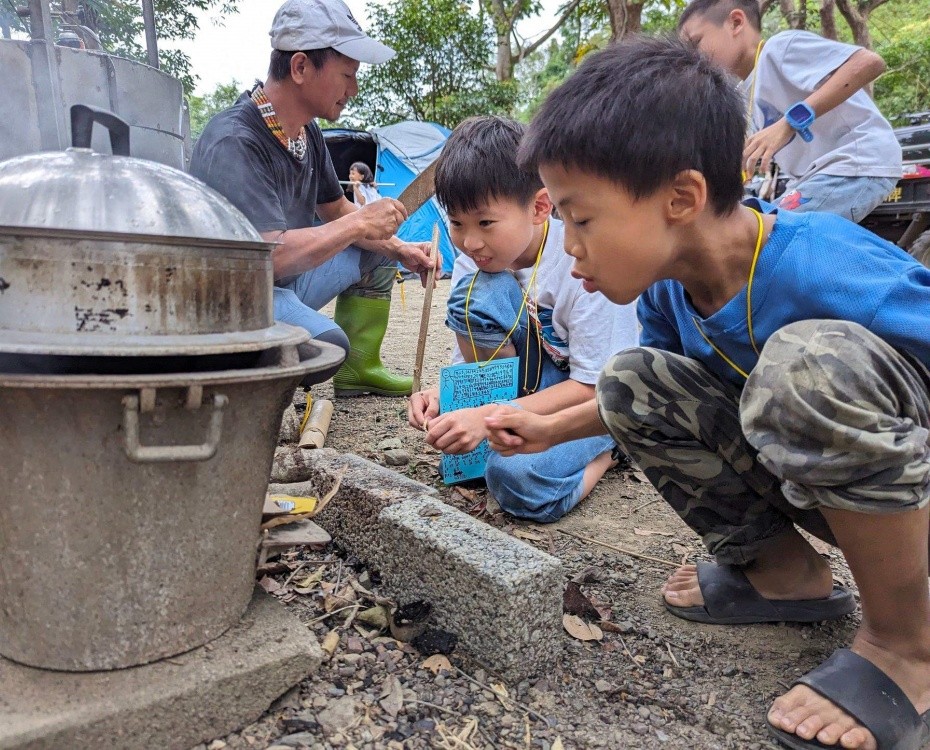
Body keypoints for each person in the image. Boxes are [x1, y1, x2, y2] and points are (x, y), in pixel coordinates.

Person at [487, 36, 930, 750]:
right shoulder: (669, 291)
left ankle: (906, 647)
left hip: (909, 497)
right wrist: (547, 430)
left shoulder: (823, 261)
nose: (568, 247)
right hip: (827, 490)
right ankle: (784, 574)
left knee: (804, 367)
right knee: (633, 379)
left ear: (681, 198)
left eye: (581, 218)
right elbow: (651, 401)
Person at [190, 0, 434, 396]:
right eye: (347, 75)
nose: (353, 90)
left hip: (284, 283)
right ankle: (235, 386)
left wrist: (400, 248)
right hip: (234, 299)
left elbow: (335, 208)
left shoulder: (307, 132)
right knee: (325, 348)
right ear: (300, 67)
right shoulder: (236, 140)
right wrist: (360, 221)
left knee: (378, 252)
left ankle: (359, 371)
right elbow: (268, 256)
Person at [407, 116, 639, 522]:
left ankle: (611, 449)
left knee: (515, 477)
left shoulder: (581, 263)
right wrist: (445, 394)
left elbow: (593, 386)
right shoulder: (473, 260)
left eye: (486, 223)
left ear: (539, 207)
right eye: (456, 223)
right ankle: (498, 418)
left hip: (593, 399)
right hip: (527, 388)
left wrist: (486, 417)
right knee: (474, 295)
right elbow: (471, 350)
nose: (470, 241)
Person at [679, 0, 902, 223]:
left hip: (855, 161)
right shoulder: (742, 92)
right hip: (812, 178)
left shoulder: (779, 48)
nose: (693, 57)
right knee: (747, 224)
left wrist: (789, 123)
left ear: (736, 23)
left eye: (696, 42)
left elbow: (869, 62)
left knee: (770, 234)